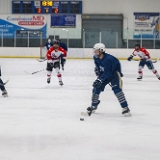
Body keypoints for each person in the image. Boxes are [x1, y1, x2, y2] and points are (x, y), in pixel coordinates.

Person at [86, 43, 131, 117]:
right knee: (96, 88)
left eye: (96, 50)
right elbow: (98, 67)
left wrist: (100, 80)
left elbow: (108, 72)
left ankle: (125, 108)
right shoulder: (96, 58)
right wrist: (98, 71)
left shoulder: (109, 59)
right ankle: (94, 105)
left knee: (117, 90)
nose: (95, 52)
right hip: (105, 74)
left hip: (114, 75)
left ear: (101, 51)